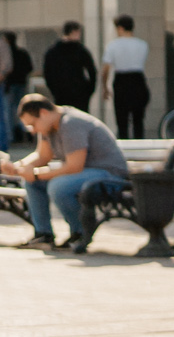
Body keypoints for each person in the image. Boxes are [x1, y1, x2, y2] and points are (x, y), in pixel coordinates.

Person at [1, 93, 129, 251]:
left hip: (109, 175)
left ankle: (80, 232)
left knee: (58, 186)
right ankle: (43, 235)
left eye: (33, 125)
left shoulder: (71, 123)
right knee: (33, 183)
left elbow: (74, 167)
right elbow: (42, 156)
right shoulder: (49, 126)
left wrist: (35, 173)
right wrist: (18, 167)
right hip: (86, 173)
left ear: (44, 113)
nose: (33, 131)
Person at [104, 16, 150, 139]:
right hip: (138, 79)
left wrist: (105, 87)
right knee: (138, 119)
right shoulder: (143, 45)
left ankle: (124, 146)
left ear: (120, 28)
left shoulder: (113, 45)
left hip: (121, 80)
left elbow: (106, 69)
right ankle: (140, 144)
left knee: (121, 119)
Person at [41, 22, 95, 114]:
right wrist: (89, 89)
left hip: (61, 92)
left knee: (64, 119)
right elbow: (92, 71)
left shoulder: (52, 51)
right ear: (75, 32)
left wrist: (54, 89)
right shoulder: (81, 50)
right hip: (79, 92)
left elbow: (47, 73)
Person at [3, 31, 29, 143]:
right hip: (21, 83)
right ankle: (23, 132)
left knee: (9, 111)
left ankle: (13, 135)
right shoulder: (21, 52)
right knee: (21, 109)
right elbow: (29, 67)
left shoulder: (7, 53)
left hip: (10, 85)